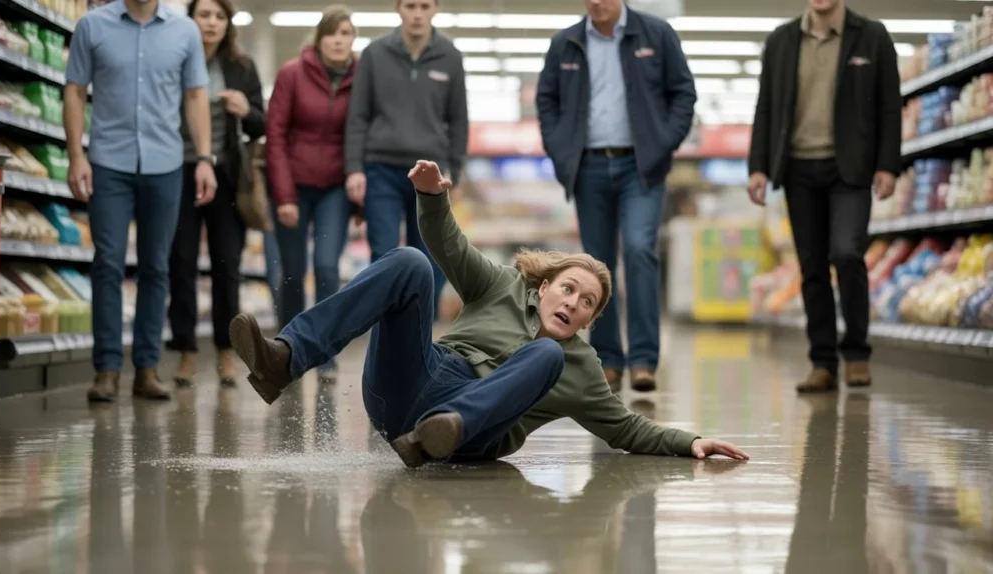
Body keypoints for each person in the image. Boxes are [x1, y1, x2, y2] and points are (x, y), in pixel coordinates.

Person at [228, 160, 749, 468]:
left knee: (546, 355)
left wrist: (692, 442)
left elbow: (628, 429)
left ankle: (442, 430)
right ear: (544, 286)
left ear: (590, 321)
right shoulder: (501, 285)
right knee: (411, 261)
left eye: (586, 303)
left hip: (468, 434)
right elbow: (448, 245)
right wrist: (431, 198)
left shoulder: (580, 366)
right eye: (568, 289)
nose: (572, 303)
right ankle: (285, 359)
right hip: (416, 380)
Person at [535, 0, 697, 394]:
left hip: (639, 166)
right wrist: (562, 151)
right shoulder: (566, 43)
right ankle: (608, 360)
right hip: (588, 167)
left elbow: (683, 94)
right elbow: (547, 100)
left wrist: (661, 144)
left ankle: (643, 360)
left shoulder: (656, 35)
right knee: (596, 266)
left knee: (641, 250)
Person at [65, 0, 216, 402]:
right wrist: (76, 155)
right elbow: (75, 90)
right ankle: (107, 369)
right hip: (107, 161)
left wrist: (204, 159)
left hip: (165, 163)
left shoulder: (185, 31)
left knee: (156, 266)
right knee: (108, 262)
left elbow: (196, 96)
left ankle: (146, 369)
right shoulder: (92, 26)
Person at [747, 0, 900, 393]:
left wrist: (888, 164)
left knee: (847, 252)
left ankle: (857, 354)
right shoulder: (781, 41)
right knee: (811, 267)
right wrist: (758, 166)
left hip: (850, 168)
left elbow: (888, 105)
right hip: (798, 169)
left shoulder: (872, 36)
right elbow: (765, 106)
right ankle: (823, 363)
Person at [343, 0, 468, 318]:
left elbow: (458, 119)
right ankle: (388, 328)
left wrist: (457, 170)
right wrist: (354, 169)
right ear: (398, 8)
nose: (417, 13)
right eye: (410, 5)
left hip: (430, 172)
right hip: (380, 168)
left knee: (431, 257)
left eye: (424, 6)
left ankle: (418, 327)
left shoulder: (450, 56)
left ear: (436, 8)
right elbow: (358, 116)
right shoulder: (374, 53)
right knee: (384, 255)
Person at [167, 0, 265, 389]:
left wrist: (247, 110)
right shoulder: (174, 58)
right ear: (190, 19)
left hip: (226, 174)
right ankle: (187, 351)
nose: (211, 23)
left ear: (229, 24)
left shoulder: (241, 67)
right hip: (177, 171)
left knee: (228, 263)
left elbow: (261, 123)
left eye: (219, 17)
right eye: (204, 15)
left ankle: (226, 351)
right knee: (181, 260)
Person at [265, 4, 358, 385]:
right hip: (294, 186)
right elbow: (275, 136)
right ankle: (288, 349)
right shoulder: (292, 74)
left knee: (326, 267)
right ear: (319, 40)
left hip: (336, 187)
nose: (339, 40)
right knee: (291, 271)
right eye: (332, 34)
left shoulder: (362, 78)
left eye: (346, 33)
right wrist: (284, 195)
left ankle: (323, 352)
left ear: (353, 40)